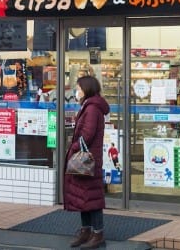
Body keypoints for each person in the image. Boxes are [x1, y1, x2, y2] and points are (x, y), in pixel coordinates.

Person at [64, 75, 109, 249]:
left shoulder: (92, 108)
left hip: (88, 159)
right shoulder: (89, 105)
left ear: (87, 89)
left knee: (92, 198)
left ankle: (98, 234)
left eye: (79, 88)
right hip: (87, 159)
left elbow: (87, 135)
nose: (77, 91)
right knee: (84, 197)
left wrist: (74, 147)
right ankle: (86, 231)